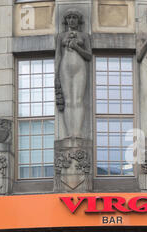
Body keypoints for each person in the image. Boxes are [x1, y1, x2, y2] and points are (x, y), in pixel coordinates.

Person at [55, 9, 92, 139]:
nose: (71, 20)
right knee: (68, 101)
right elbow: (58, 56)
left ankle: (77, 132)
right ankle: (70, 133)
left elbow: (89, 55)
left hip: (80, 67)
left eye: (74, 17)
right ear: (66, 20)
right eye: (69, 17)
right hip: (65, 67)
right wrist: (56, 76)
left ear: (78, 20)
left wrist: (77, 47)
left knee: (78, 100)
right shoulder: (60, 36)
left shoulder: (84, 36)